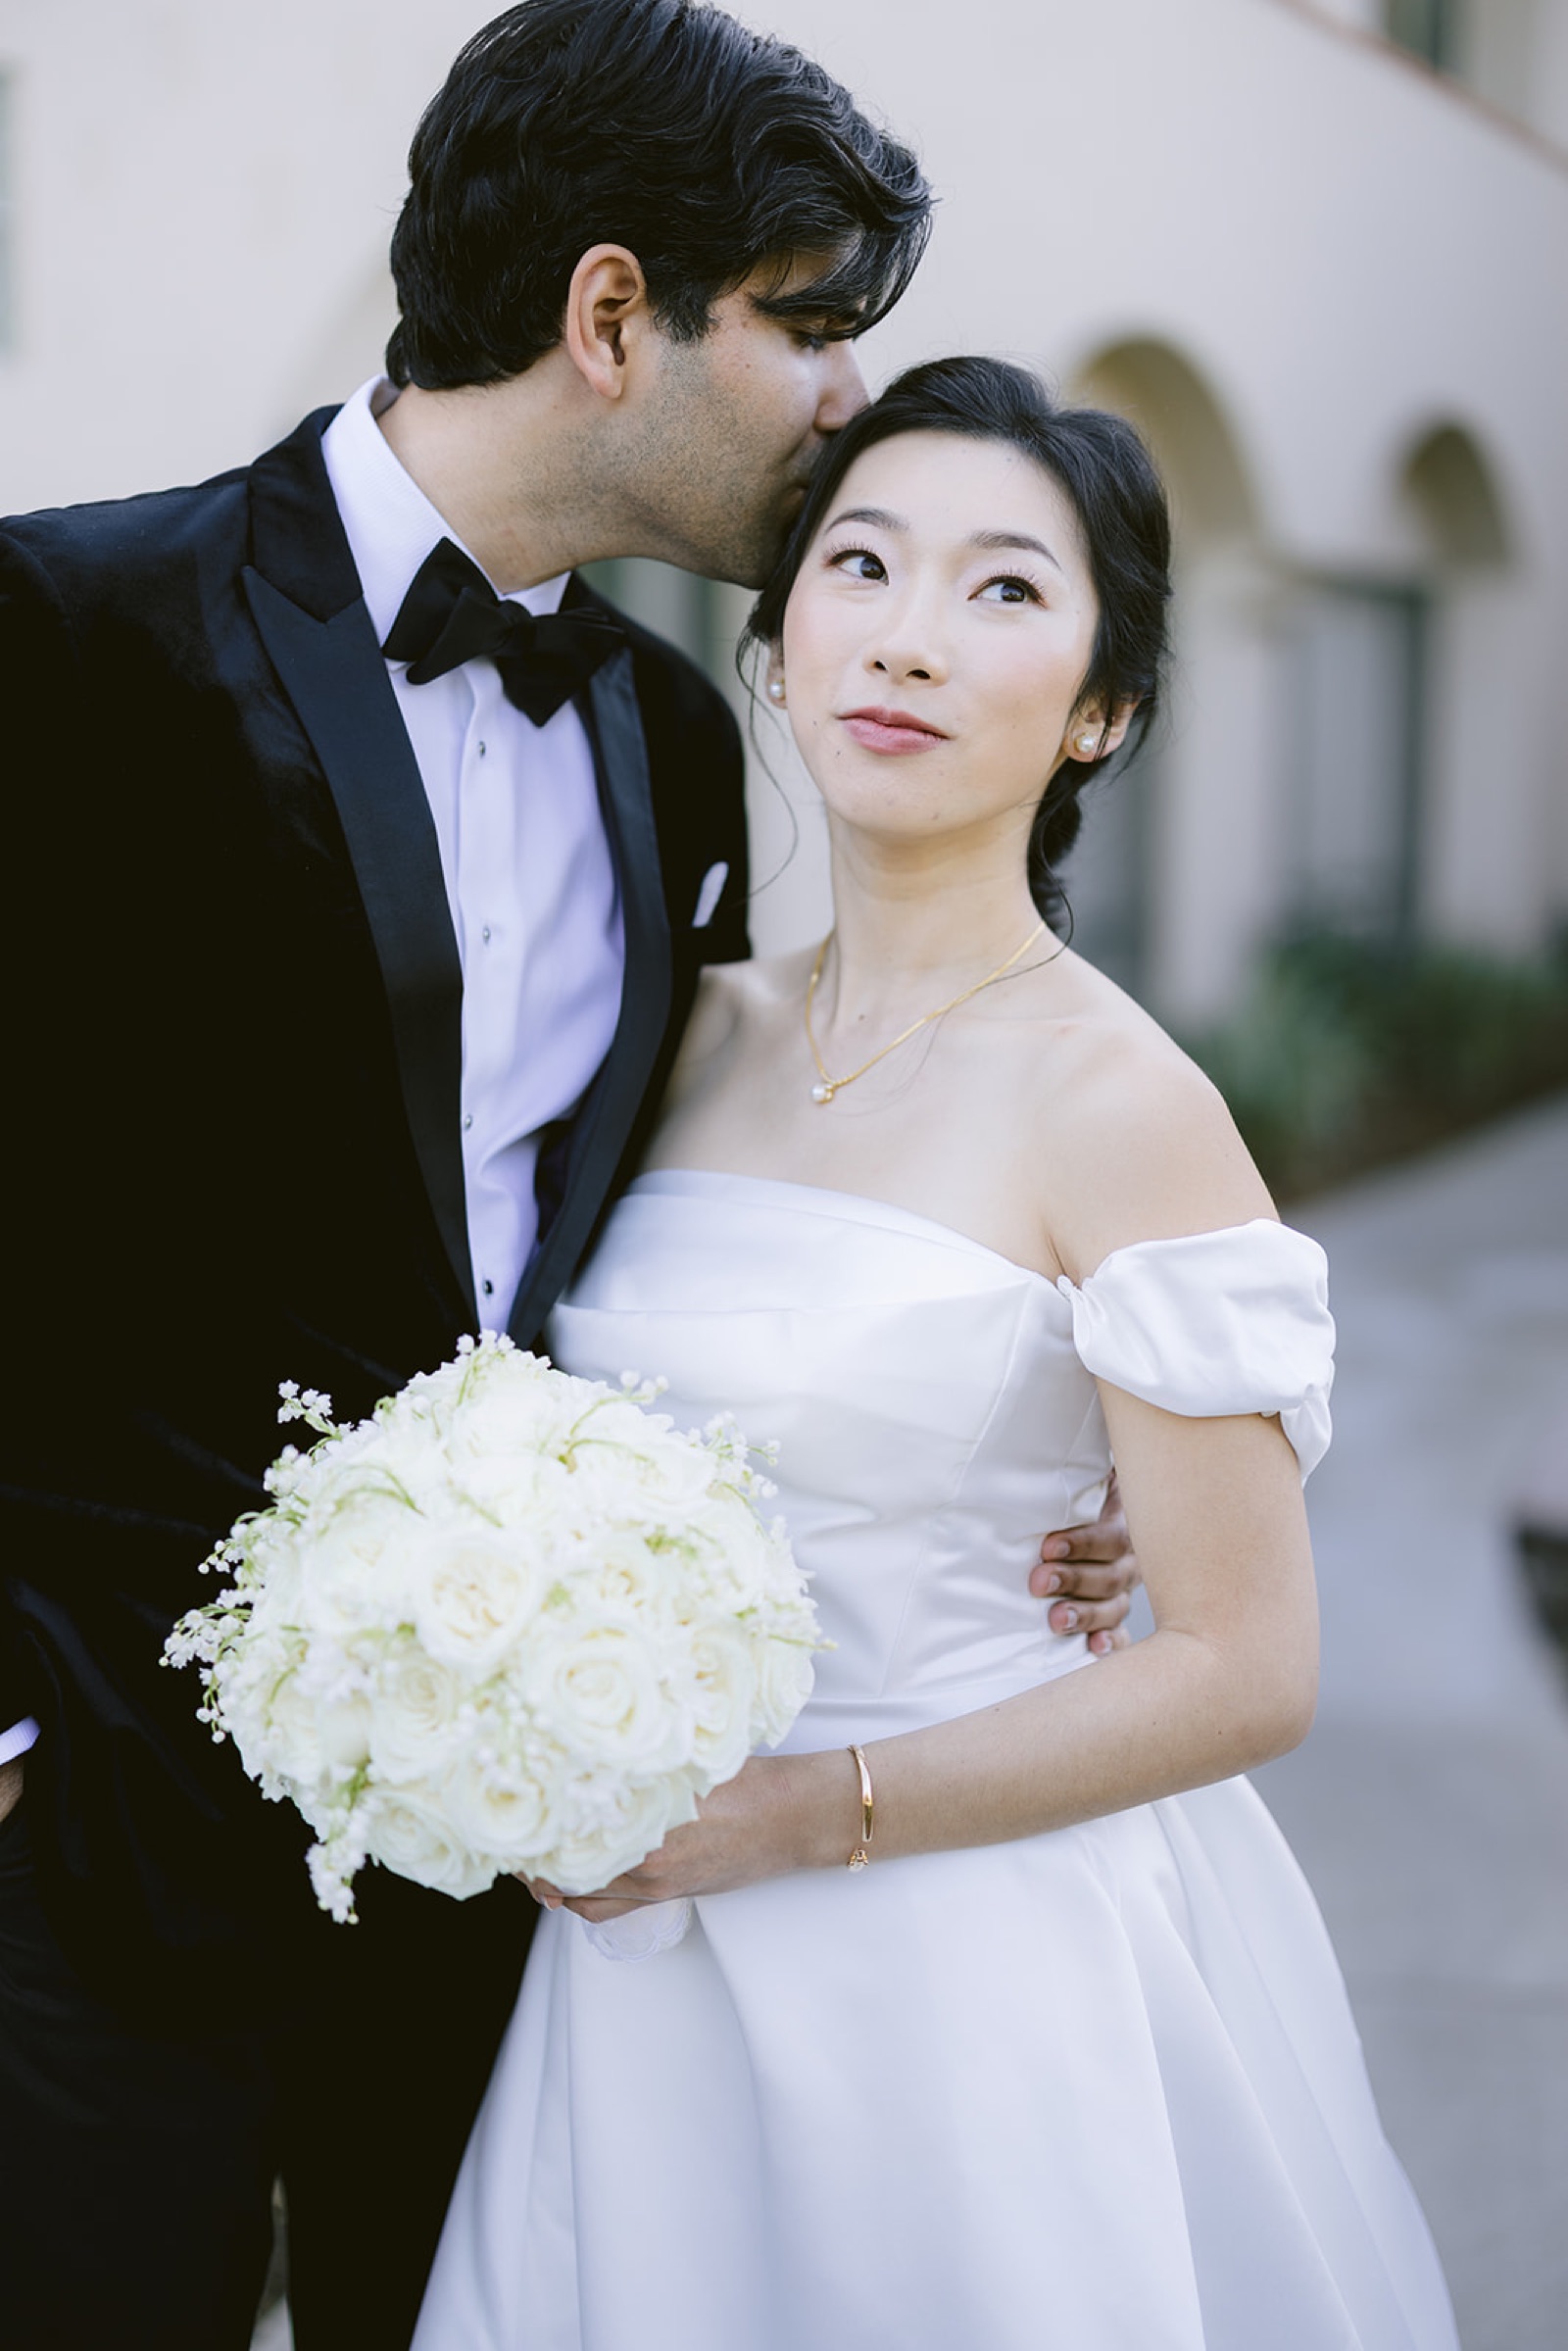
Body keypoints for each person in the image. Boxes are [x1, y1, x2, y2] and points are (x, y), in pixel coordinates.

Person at [0, 9, 1134, 2348]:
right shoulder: (69, 629)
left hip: (513, 1877)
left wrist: (1041, 1449)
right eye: (812, 323)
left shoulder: (669, 746)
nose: (846, 400)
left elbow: (668, 1232)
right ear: (613, 316)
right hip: (86, 1854)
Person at [414, 358, 1461, 2351]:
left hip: (968, 1959)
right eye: (861, 565)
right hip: (631, 1958)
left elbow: (1247, 1666)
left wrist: (803, 1816)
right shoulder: (665, 1024)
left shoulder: (1122, 1104)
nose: (907, 635)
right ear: (780, 639)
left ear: (1098, 709)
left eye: (1000, 592)